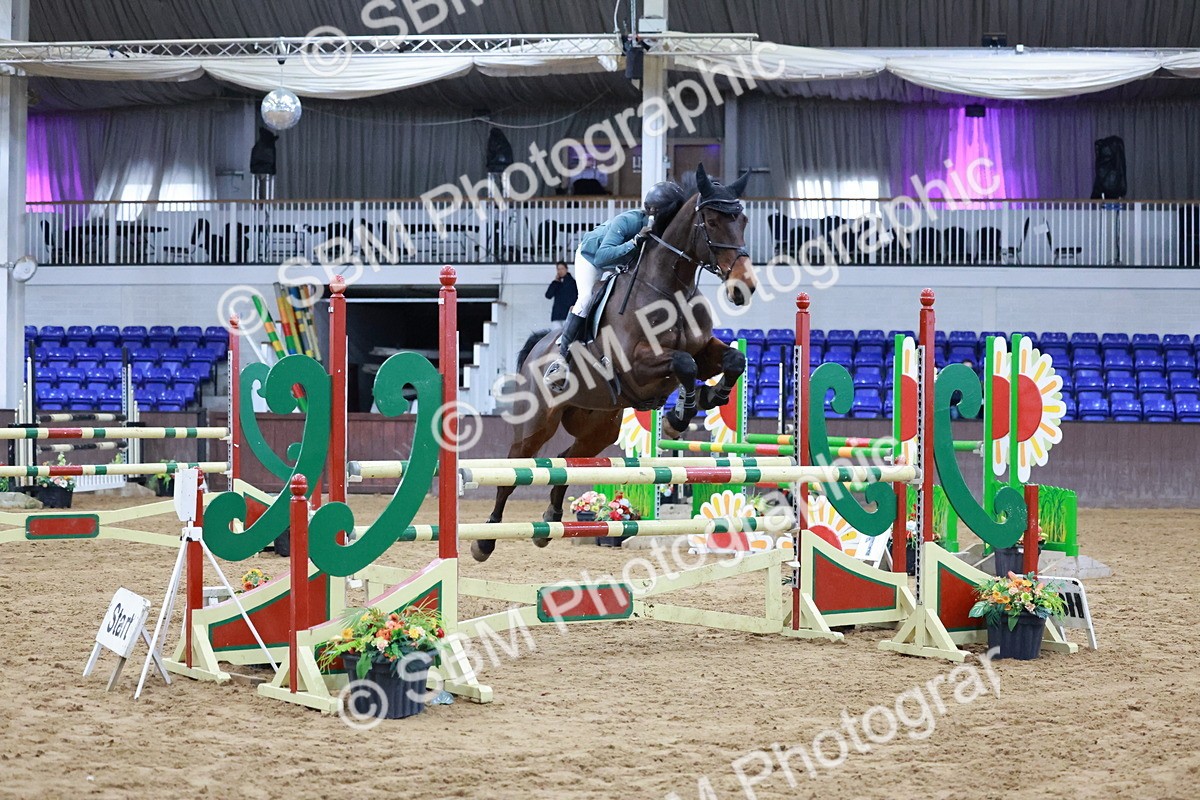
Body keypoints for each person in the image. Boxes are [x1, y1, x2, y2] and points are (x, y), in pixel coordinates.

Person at [543, 181, 687, 392]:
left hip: (619, 264)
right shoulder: (629, 220)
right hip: (592, 257)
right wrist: (635, 241)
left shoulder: (660, 231)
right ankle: (561, 359)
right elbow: (602, 257)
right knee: (585, 299)